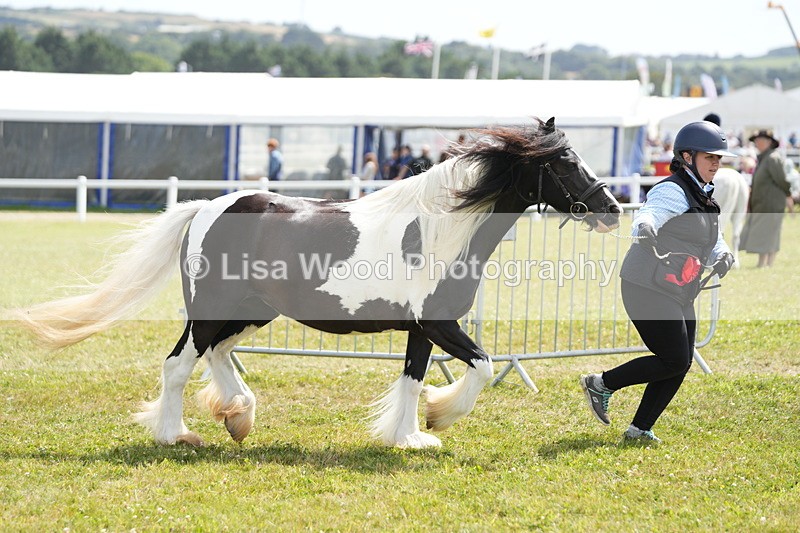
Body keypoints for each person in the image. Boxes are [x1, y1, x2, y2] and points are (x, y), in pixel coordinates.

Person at [581, 121, 736, 445]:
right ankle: (602, 383)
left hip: (678, 288)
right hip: (645, 285)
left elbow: (713, 237)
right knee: (675, 358)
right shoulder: (674, 189)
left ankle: (639, 429)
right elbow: (648, 214)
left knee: (680, 362)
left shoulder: (704, 194)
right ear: (687, 156)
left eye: (719, 159)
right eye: (710, 157)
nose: (716, 164)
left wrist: (724, 254)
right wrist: (646, 228)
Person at [740, 129, 793, 267]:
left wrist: (788, 195)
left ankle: (768, 264)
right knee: (763, 233)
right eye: (756, 140)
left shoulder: (773, 158)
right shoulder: (764, 158)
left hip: (772, 204)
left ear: (768, 142)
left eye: (760, 140)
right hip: (762, 204)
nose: (757, 142)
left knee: (770, 234)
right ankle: (763, 263)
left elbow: (782, 180)